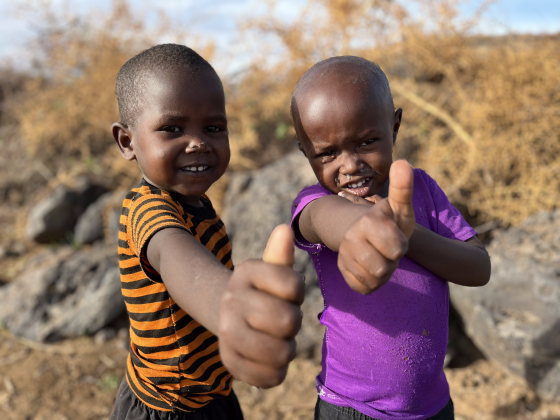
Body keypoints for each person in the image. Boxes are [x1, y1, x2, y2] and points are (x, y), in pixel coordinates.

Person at [109, 43, 305, 420]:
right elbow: (176, 257)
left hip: (210, 394)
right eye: (172, 128)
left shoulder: (195, 203)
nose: (198, 141)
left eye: (213, 127)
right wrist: (231, 309)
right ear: (128, 142)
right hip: (166, 407)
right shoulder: (148, 209)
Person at [290, 56, 491, 420]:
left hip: (431, 407)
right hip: (350, 408)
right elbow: (324, 222)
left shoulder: (423, 190)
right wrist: (364, 226)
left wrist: (408, 235)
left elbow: (478, 267)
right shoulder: (316, 203)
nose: (350, 165)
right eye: (327, 153)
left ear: (394, 127)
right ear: (305, 151)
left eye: (367, 141)